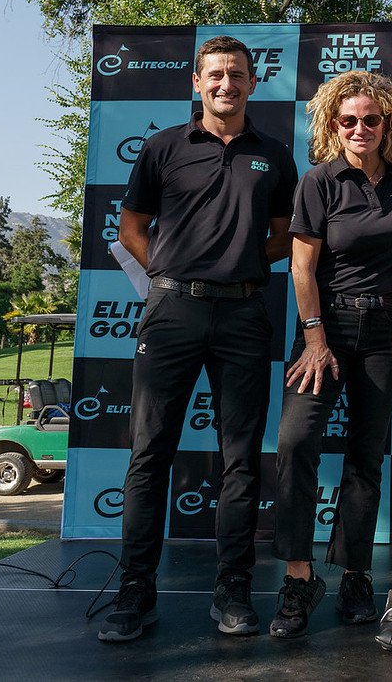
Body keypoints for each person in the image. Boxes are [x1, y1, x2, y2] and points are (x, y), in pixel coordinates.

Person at [99, 36, 298, 643]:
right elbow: (131, 227)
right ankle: (136, 590)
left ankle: (233, 588)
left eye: (236, 75)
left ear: (252, 83)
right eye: (215, 75)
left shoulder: (275, 155)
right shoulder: (163, 147)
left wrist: (242, 262)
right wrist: (166, 271)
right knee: (149, 451)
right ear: (196, 82)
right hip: (172, 314)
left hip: (244, 314)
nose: (225, 84)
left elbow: (285, 234)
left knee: (240, 457)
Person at [268, 71, 392, 638]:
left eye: (370, 119)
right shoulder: (318, 181)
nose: (360, 128)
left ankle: (355, 574)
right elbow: (301, 266)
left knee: (366, 456)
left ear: (387, 124)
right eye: (348, 120)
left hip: (383, 332)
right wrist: (314, 338)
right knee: (295, 442)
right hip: (323, 331)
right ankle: (299, 577)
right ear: (333, 125)